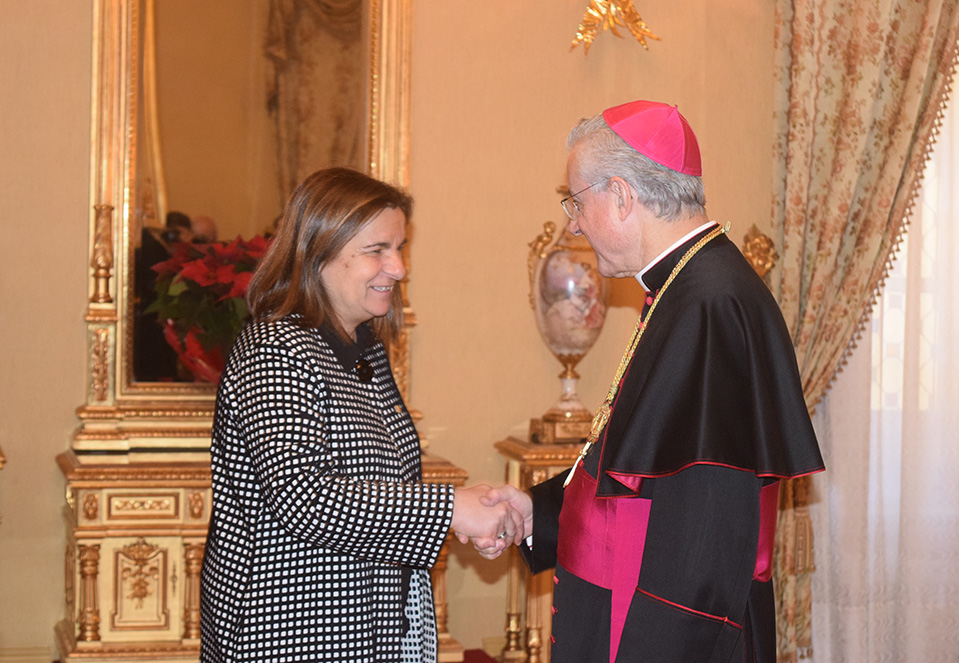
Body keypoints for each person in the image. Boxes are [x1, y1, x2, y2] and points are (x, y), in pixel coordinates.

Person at [479, 101, 825, 663]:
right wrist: (536, 513)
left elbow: (703, 548)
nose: (574, 222)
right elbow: (635, 480)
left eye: (576, 201)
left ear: (620, 196)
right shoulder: (684, 290)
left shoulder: (710, 305)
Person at [200, 167, 523, 663]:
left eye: (400, 248)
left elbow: (375, 484)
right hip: (290, 635)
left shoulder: (362, 349)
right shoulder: (276, 349)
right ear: (318, 253)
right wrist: (450, 509)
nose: (399, 268)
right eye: (377, 250)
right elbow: (303, 497)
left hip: (363, 630)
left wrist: (467, 508)